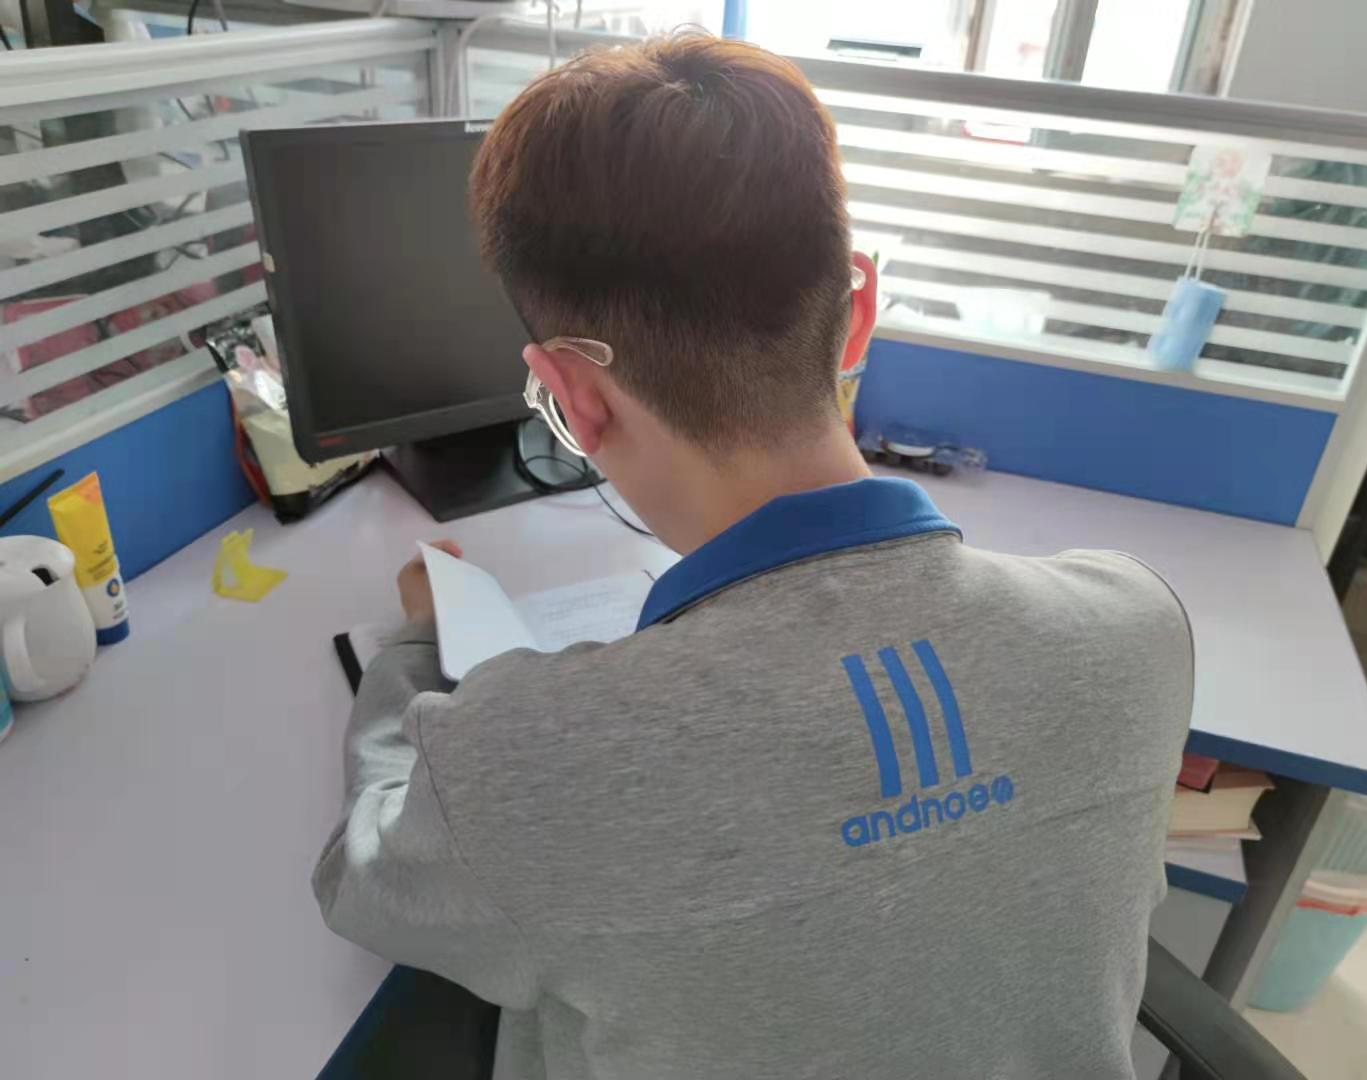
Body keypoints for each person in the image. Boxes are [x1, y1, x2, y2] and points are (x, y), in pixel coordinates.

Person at [314, 32, 1193, 1080]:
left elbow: (362, 882)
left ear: (574, 398)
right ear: (857, 314)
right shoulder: (1139, 628)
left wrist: (415, 652)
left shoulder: (533, 758)